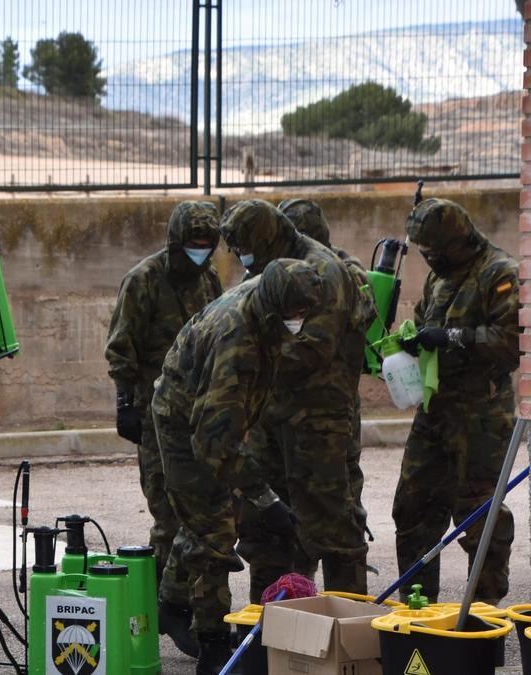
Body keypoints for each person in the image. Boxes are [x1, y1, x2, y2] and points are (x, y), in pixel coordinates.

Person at [152, 258, 320, 674]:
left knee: (203, 520)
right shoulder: (238, 339)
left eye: (304, 313)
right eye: (294, 314)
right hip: (184, 425)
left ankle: (170, 604)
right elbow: (212, 440)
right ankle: (211, 645)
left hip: (212, 418)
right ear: (275, 306)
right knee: (215, 533)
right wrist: (265, 498)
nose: (299, 321)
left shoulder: (268, 301)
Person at [220, 199, 373, 603]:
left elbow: (312, 348)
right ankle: (271, 627)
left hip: (317, 423)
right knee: (266, 526)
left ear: (269, 237)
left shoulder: (325, 272)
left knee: (332, 526)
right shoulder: (269, 268)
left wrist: (248, 358)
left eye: (247, 249)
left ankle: (349, 629)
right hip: (272, 418)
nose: (244, 260)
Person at [103, 201, 223, 656]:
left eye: (206, 246)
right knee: (166, 511)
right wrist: (124, 404)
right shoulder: (144, 280)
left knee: (202, 511)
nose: (199, 253)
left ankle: (187, 607)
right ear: (175, 242)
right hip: (154, 412)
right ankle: (158, 612)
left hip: (201, 411)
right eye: (192, 245)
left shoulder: (209, 277)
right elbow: (120, 346)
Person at [392, 198, 518, 604]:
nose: (429, 260)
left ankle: (481, 608)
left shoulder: (500, 273)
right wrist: (414, 342)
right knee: (412, 507)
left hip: (481, 415)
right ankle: (419, 606)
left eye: (434, 252)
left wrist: (452, 338)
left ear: (456, 241)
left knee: (478, 514)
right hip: (435, 409)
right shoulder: (439, 276)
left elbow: (512, 344)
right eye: (423, 253)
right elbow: (431, 320)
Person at [279, 198, 371, 557]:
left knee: (337, 512)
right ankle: (300, 598)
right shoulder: (286, 272)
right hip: (288, 409)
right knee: (288, 509)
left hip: (330, 409)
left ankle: (344, 604)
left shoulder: (344, 273)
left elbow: (318, 342)